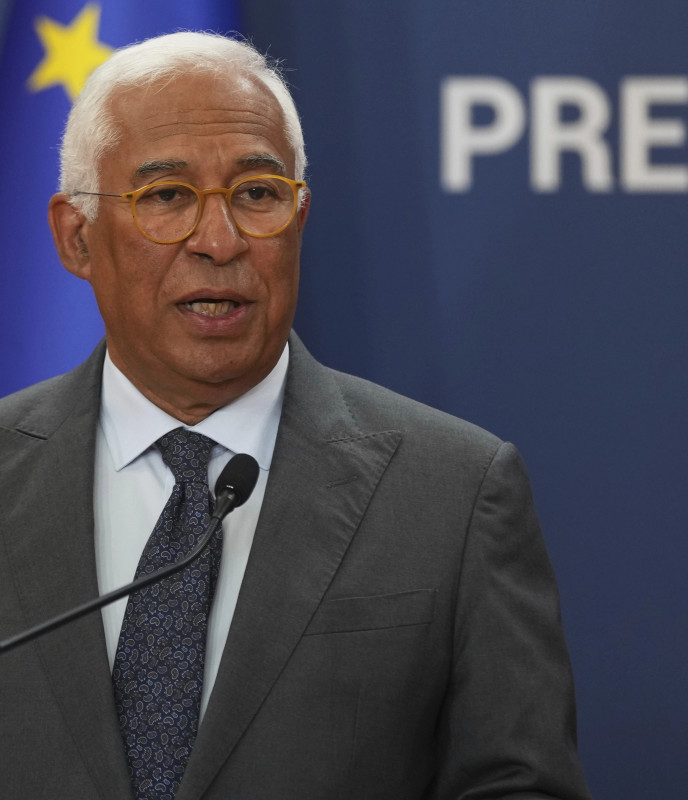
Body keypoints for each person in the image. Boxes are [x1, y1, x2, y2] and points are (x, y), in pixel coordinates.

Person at [0, 31, 591, 800]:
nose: (220, 242)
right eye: (167, 196)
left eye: (257, 194)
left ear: (299, 218)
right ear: (77, 238)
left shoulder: (454, 495)